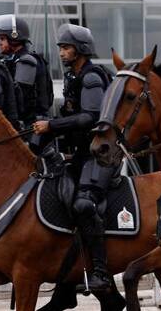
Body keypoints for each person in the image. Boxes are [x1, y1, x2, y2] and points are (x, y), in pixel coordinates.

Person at [32, 24, 114, 293]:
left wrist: (52, 126)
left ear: (81, 50)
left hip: (100, 157)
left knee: (83, 206)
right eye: (60, 48)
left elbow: (90, 117)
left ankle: (101, 274)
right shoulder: (72, 77)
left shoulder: (91, 77)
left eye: (66, 48)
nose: (62, 52)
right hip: (80, 155)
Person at [0, 14, 54, 150]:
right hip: (29, 126)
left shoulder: (26, 60)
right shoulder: (14, 59)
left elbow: (19, 100)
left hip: (31, 128)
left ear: (15, 38)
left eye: (2, 39)